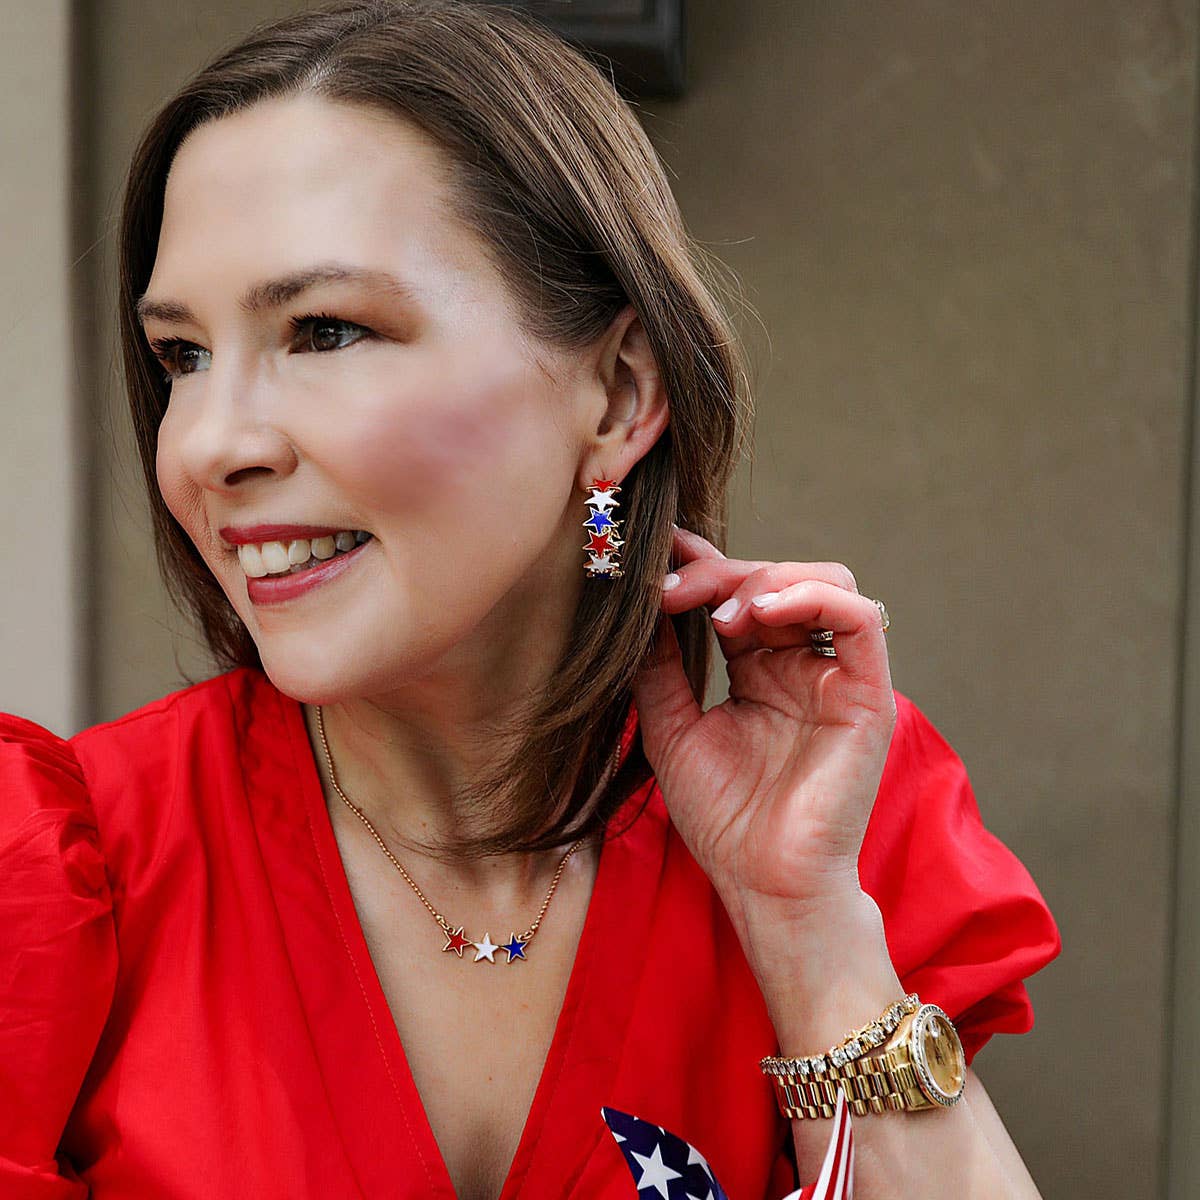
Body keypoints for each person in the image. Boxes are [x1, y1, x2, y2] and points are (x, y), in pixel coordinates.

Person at [0, 2, 1060, 1197]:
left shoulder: (838, 823)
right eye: (182, 356)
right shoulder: (50, 874)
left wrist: (808, 931)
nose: (209, 445)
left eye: (324, 331)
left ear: (617, 396)